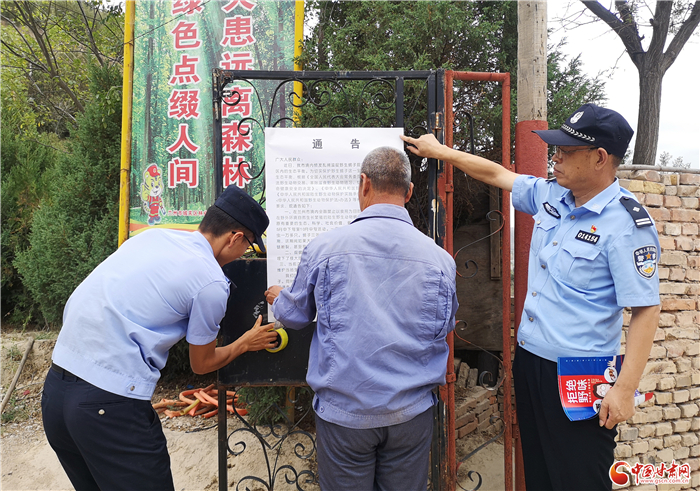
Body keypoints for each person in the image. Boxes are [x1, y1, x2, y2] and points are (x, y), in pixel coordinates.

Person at [401, 104, 660, 491]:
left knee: (579, 479)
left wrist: (624, 388)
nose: (556, 158)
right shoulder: (553, 196)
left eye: (566, 151)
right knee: (539, 474)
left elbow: (646, 309)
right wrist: (442, 151)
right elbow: (498, 175)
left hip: (580, 376)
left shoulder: (626, 224)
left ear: (599, 158)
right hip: (530, 364)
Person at [42, 185, 280, 491]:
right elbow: (202, 363)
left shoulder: (154, 237)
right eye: (247, 245)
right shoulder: (210, 281)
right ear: (235, 238)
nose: (243, 253)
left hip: (56, 393)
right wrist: (245, 342)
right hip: (108, 405)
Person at [264, 147, 458, 491]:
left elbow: (295, 316)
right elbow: (446, 325)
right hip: (411, 414)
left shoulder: (325, 249)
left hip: (346, 416)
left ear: (364, 183)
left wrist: (279, 298)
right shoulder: (440, 260)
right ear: (409, 192)